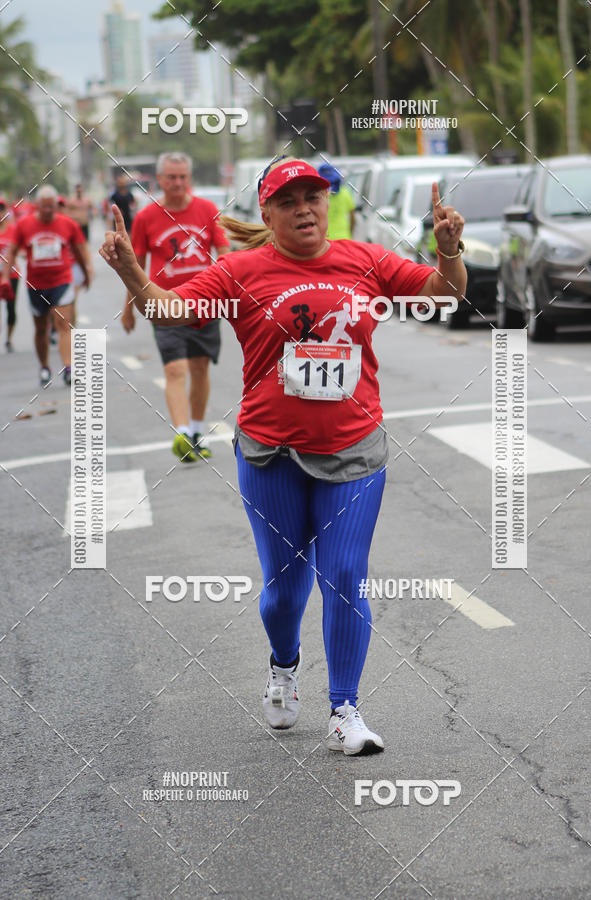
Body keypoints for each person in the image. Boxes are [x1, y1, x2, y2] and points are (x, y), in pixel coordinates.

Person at [100, 156, 466, 755]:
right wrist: (135, 278)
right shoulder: (240, 270)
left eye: (313, 198)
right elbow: (175, 309)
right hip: (271, 453)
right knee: (285, 589)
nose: (305, 209)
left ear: (327, 204)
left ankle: (345, 709)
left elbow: (443, 294)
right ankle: (284, 663)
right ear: (267, 213)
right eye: (289, 201)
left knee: (345, 576)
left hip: (353, 449)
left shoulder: (365, 259)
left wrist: (448, 250)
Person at [121, 151, 229, 462]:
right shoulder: (146, 218)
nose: (177, 182)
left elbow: (223, 253)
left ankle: (196, 431)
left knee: (199, 367)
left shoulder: (207, 210)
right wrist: (128, 307)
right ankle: (182, 433)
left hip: (205, 304)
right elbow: (135, 267)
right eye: (171, 177)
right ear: (160, 179)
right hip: (164, 305)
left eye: (182, 176)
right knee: (174, 368)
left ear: (189, 178)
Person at [1, 185, 93, 386]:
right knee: (41, 328)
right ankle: (44, 366)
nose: (49, 211)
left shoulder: (68, 224)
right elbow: (12, 252)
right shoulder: (24, 225)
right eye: (45, 207)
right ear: (37, 206)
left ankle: (68, 368)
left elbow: (78, 251)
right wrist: (6, 277)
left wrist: (86, 274)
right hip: (36, 284)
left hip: (62, 280)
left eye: (52, 207)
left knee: (63, 323)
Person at [0, 197, 21, 352]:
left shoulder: (14, 230)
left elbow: (21, 248)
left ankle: (8, 339)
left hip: (11, 275)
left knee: (11, 309)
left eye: (1, 209)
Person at [318, 162, 355, 239]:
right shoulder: (345, 192)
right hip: (344, 238)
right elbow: (352, 218)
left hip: (325, 241)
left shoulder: (316, 196)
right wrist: (350, 233)